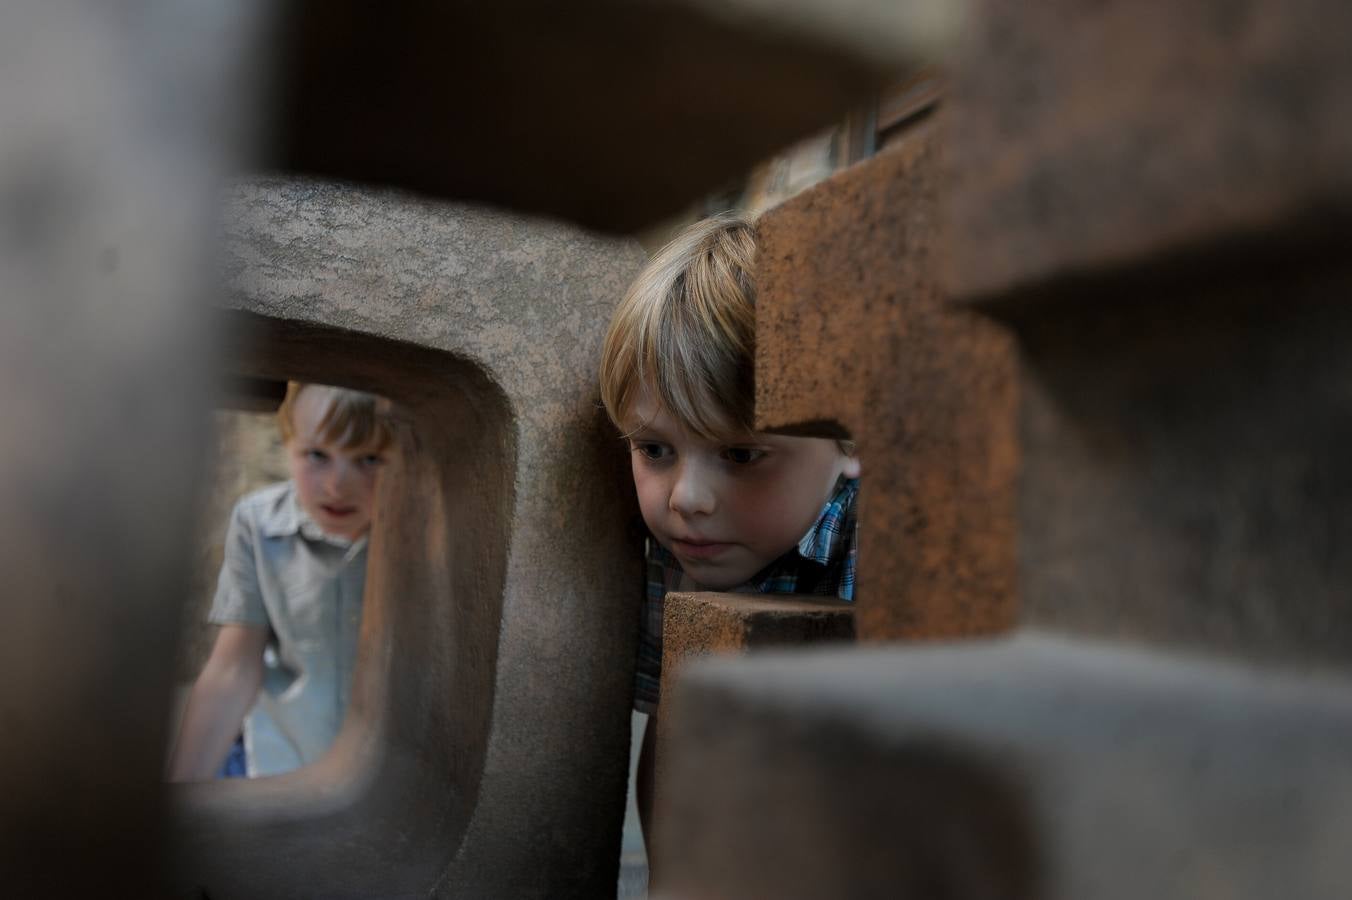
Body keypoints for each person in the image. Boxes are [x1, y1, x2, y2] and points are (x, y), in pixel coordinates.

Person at [598, 214, 860, 851]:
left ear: (851, 439)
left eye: (742, 456)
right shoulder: (669, 555)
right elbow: (673, 731)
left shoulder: (877, 542)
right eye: (654, 450)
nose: (686, 501)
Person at [168, 382, 392, 781]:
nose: (338, 485)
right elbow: (234, 668)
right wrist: (182, 792)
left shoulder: (421, 539)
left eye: (369, 459)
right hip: (278, 761)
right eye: (318, 455)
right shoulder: (257, 522)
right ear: (287, 442)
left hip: (382, 780)